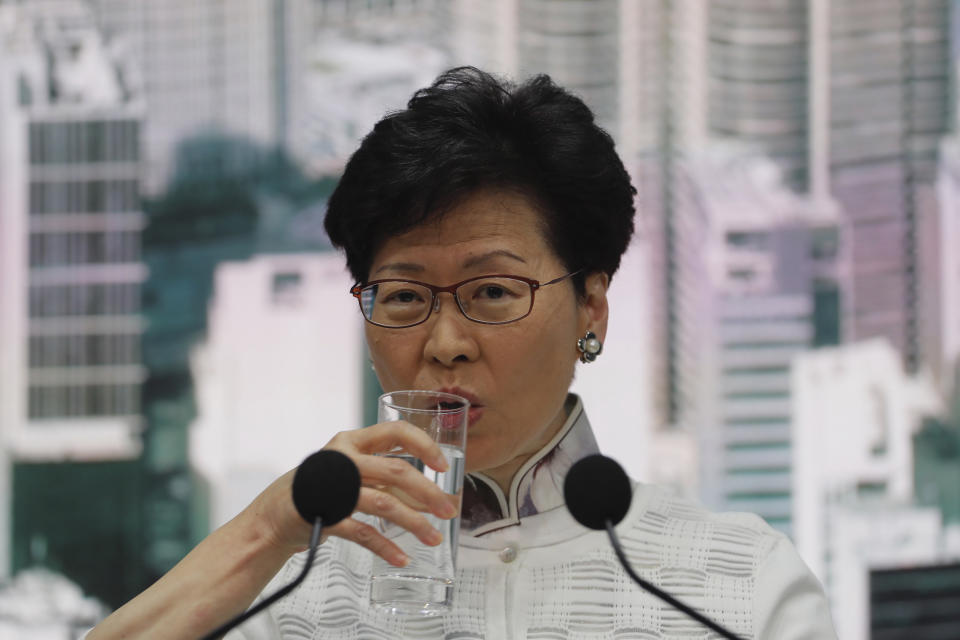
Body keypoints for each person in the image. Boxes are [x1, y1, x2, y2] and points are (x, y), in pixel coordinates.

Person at [88, 67, 837, 639]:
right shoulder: (289, 587)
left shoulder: (734, 584)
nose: (445, 345)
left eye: (494, 293)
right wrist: (264, 534)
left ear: (592, 307)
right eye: (407, 298)